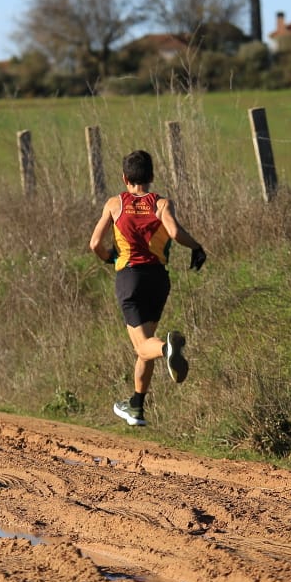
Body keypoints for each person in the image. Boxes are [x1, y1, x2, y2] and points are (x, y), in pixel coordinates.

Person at [88, 149, 207, 426]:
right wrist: (197, 248)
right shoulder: (162, 203)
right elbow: (176, 233)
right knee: (146, 346)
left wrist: (110, 259)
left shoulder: (114, 204)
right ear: (152, 176)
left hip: (130, 278)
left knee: (146, 347)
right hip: (159, 280)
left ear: (124, 177)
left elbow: (95, 244)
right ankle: (137, 406)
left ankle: (167, 348)